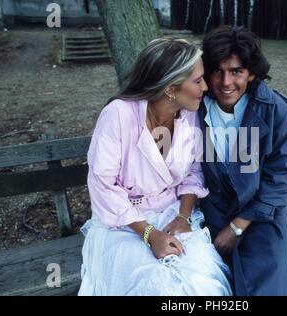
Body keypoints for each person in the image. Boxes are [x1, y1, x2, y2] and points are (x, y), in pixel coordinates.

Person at [78, 38, 232, 296]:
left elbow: (193, 171)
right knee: (155, 286)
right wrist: (150, 234)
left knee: (203, 284)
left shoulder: (189, 113)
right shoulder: (118, 115)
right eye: (197, 81)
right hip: (124, 223)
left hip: (172, 213)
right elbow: (102, 187)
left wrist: (183, 216)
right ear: (171, 88)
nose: (206, 87)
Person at [198, 26, 287, 295]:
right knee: (207, 283)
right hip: (211, 207)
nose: (225, 82)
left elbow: (280, 176)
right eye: (217, 71)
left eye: (236, 72)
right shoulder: (195, 106)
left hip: (260, 212)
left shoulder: (275, 110)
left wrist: (237, 226)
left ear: (252, 73)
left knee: (268, 283)